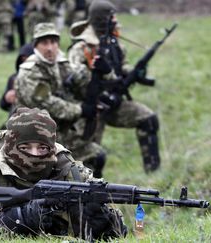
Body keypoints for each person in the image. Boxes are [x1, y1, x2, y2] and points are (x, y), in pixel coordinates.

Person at [0, 107, 127, 240]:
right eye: (25, 147)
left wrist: (106, 224)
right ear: (10, 147)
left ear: (52, 148)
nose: (34, 154)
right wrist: (15, 219)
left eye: (42, 148)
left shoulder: (75, 176)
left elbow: (121, 233)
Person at [67, 0, 161, 172]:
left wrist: (134, 72)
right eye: (112, 16)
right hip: (90, 109)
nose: (116, 20)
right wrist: (99, 84)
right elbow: (74, 75)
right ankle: (89, 194)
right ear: (102, 19)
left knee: (148, 120)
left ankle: (154, 173)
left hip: (115, 102)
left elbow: (121, 64)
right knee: (91, 156)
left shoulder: (113, 41)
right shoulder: (81, 47)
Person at [14, 22, 107, 178]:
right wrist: (80, 109)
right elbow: (46, 104)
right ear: (36, 45)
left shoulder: (61, 64)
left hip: (61, 134)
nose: (50, 48)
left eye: (53, 42)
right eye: (44, 43)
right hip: (35, 140)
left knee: (96, 156)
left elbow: (80, 83)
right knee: (63, 175)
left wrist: (97, 73)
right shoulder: (30, 71)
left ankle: (91, 197)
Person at [0, 43, 34, 116]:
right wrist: (6, 98)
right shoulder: (13, 78)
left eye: (29, 60)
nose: (25, 63)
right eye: (23, 60)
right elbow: (3, 105)